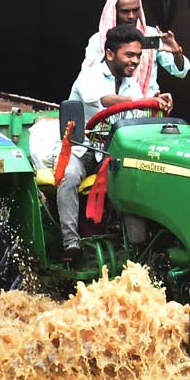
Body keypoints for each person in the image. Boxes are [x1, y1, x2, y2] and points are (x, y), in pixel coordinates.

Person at [58, 25, 172, 262]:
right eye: (129, 55)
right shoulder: (89, 76)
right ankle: (71, 243)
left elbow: (137, 119)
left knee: (145, 174)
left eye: (139, 56)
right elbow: (105, 100)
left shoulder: (132, 84)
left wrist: (157, 104)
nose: (135, 61)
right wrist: (143, 100)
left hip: (114, 152)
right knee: (69, 176)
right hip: (86, 148)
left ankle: (141, 247)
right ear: (110, 54)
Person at [80, 0, 190, 101]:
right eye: (125, 11)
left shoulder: (151, 35)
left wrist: (177, 53)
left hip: (147, 108)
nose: (131, 16)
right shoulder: (99, 40)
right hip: (111, 109)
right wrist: (138, 101)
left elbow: (180, 72)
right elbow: (89, 87)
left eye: (135, 10)